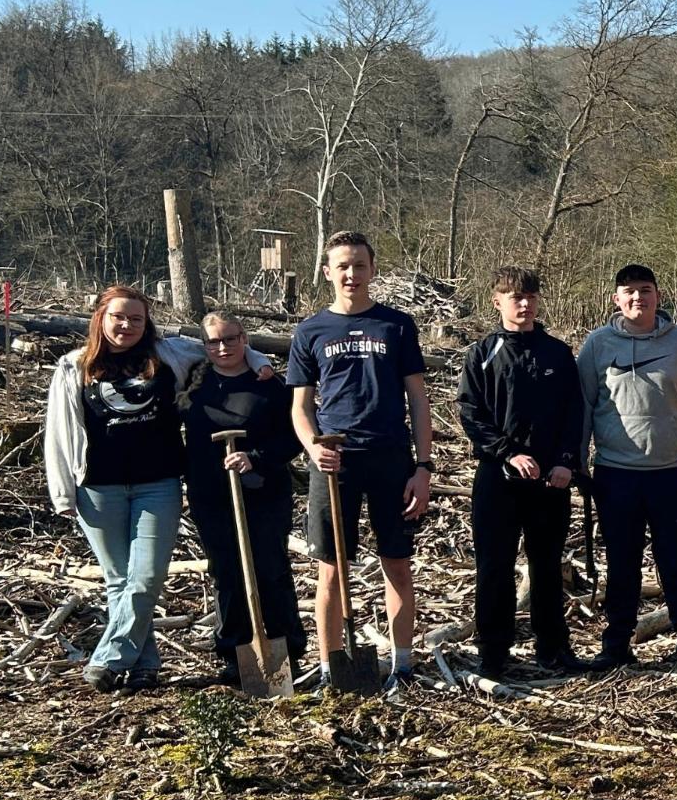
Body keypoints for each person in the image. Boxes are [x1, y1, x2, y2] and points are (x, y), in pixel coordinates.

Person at [46, 286, 267, 691]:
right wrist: (62, 492)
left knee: (145, 577)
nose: (127, 325)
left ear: (147, 323)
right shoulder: (73, 366)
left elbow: (219, 347)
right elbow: (59, 435)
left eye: (136, 318)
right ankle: (144, 664)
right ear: (100, 318)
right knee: (119, 580)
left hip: (158, 482)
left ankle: (109, 658)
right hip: (97, 488)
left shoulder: (169, 355)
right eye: (118, 317)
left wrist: (257, 358)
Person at [289, 231, 434, 691]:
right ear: (328, 273)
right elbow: (300, 407)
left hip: (391, 459)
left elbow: (418, 399)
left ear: (373, 270)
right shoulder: (310, 331)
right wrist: (314, 447)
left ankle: (403, 664)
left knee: (397, 562)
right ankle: (334, 665)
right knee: (330, 570)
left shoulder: (396, 325)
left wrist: (424, 467)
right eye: (343, 267)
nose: (352, 275)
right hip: (334, 465)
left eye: (360, 265)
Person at [458, 267, 586, 678]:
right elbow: (471, 414)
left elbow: (574, 412)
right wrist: (508, 452)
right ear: (497, 301)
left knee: (547, 564)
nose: (524, 304)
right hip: (498, 478)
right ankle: (494, 651)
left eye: (530, 296)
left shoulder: (558, 353)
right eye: (515, 297)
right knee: (494, 566)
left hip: (551, 480)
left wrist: (567, 460)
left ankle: (553, 648)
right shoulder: (482, 353)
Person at [577, 264, 677, 668]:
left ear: (658, 296)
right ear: (616, 299)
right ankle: (616, 645)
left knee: (676, 559)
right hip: (616, 473)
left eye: (645, 290)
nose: (637, 298)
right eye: (628, 292)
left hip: (674, 470)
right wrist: (578, 460)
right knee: (621, 562)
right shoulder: (597, 345)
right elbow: (583, 406)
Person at [177, 309, 305, 687]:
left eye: (231, 339)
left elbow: (293, 436)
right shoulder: (193, 384)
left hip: (265, 491)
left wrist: (257, 458)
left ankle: (286, 651)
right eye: (214, 341)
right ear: (203, 345)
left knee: (270, 569)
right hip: (211, 494)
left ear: (244, 339)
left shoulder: (269, 385)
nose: (223, 347)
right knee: (227, 572)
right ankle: (234, 653)